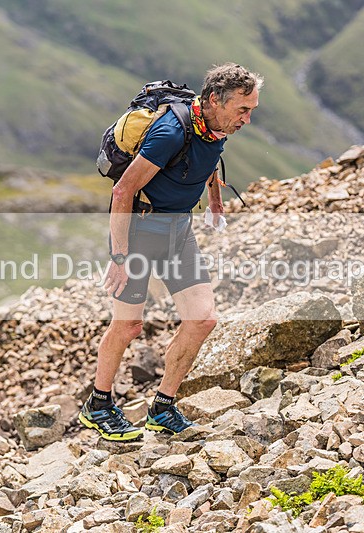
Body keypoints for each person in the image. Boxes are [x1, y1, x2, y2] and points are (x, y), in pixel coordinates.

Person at [79, 63, 263, 441]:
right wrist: (119, 257)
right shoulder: (170, 131)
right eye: (242, 110)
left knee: (203, 320)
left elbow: (210, 160)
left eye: (251, 111)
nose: (247, 119)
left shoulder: (215, 126)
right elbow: (122, 191)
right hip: (140, 231)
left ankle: (162, 408)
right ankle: (98, 404)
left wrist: (215, 203)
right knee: (128, 325)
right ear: (215, 100)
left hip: (178, 231)